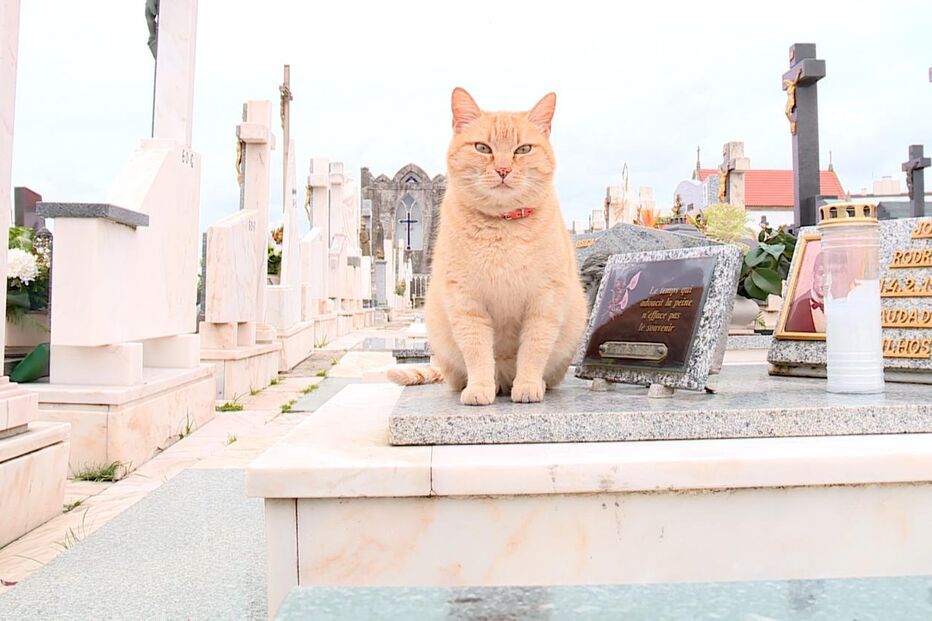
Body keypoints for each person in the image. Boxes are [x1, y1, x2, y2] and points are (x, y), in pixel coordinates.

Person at [785, 253, 825, 333]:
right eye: (821, 273)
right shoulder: (799, 306)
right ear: (813, 275)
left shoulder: (840, 304)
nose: (826, 280)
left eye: (830, 274)